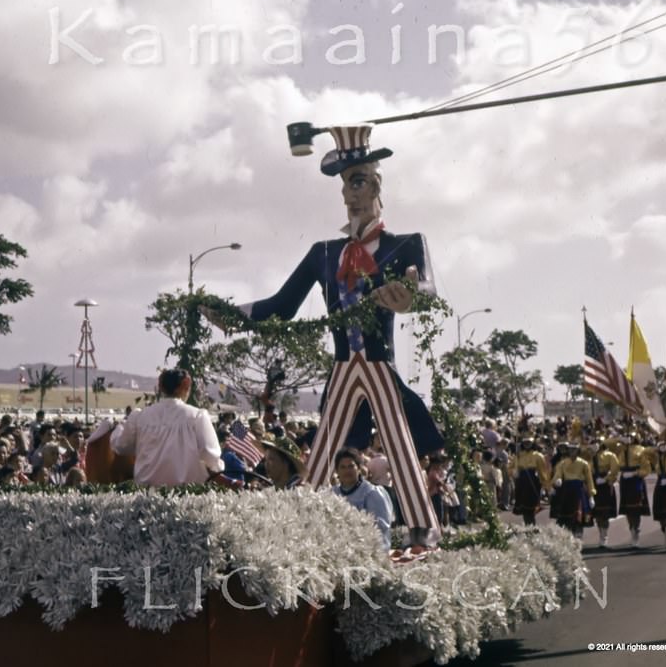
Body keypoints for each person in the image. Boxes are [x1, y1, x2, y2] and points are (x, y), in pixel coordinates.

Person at [205, 124, 441, 551]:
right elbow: (281, 305)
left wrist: (409, 295)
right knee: (325, 446)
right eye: (345, 185)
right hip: (342, 367)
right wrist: (231, 314)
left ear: (376, 183)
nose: (350, 194)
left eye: (358, 181)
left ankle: (422, 526)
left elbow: (425, 289)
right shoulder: (325, 253)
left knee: (397, 436)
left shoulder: (406, 244)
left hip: (376, 363)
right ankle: (299, 522)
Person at [112, 369, 224, 487]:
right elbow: (210, 454)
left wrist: (118, 429)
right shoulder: (197, 416)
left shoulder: (140, 417)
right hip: (188, 494)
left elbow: (121, 447)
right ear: (185, 385)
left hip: (146, 495)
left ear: (160, 386)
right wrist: (218, 466)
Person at [333, 447, 393, 551]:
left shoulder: (372, 493)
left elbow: (380, 528)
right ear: (337, 471)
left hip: (369, 550)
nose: (347, 471)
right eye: (342, 467)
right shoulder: (332, 493)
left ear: (359, 468)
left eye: (351, 466)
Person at [549, 441, 595, 538]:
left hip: (579, 490)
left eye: (574, 449)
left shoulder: (584, 463)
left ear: (578, 450)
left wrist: (591, 495)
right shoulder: (562, 463)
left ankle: (578, 537)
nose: (572, 451)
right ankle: (569, 538)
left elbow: (589, 479)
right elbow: (557, 474)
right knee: (566, 517)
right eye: (570, 449)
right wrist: (557, 481)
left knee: (579, 515)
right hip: (566, 491)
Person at [616, 432, 651, 548]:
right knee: (627, 508)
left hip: (635, 479)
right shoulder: (621, 449)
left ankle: (636, 529)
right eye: (627, 437)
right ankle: (631, 529)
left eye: (631, 437)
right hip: (625, 479)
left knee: (636, 508)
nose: (629, 439)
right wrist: (620, 438)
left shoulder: (641, 450)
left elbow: (646, 469)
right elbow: (607, 444)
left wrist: (636, 473)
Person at [584, 436, 619, 547]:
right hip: (594, 485)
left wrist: (606, 479)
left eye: (596, 442)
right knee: (598, 514)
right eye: (592, 443)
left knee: (605, 514)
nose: (594, 445)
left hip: (605, 485)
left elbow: (615, 469)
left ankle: (605, 536)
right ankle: (601, 534)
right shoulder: (588, 458)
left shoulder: (610, 455)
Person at [510, 436, 551, 527]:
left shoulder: (538, 455)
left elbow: (542, 471)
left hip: (533, 481)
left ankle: (532, 524)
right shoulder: (519, 455)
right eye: (525, 443)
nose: (527, 445)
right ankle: (527, 524)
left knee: (531, 506)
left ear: (532, 444)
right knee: (523, 506)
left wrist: (546, 485)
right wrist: (514, 471)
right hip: (522, 481)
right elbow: (511, 467)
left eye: (529, 443)